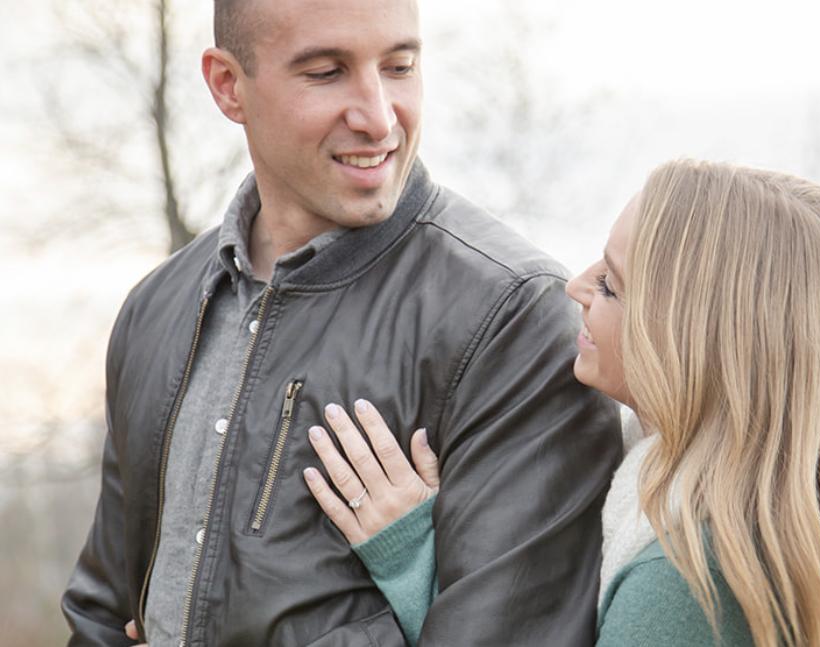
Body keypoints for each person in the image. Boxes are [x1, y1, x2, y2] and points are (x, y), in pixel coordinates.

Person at [60, 0, 621, 644]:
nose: (378, 117)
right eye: (326, 73)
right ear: (228, 85)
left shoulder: (515, 320)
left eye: (399, 67)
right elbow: (101, 615)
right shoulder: (157, 307)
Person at [308, 160, 820, 646]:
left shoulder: (683, 586)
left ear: (689, 339)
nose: (575, 286)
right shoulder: (751, 533)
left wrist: (414, 569)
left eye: (610, 284)